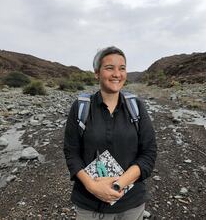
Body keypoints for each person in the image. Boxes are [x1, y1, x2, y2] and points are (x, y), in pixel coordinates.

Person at [63, 46, 157, 220]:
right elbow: (71, 153)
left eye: (122, 68)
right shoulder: (81, 107)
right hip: (89, 205)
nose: (117, 74)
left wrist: (116, 186)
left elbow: (148, 153)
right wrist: (92, 186)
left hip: (131, 204)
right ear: (97, 73)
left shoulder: (136, 106)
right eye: (109, 68)